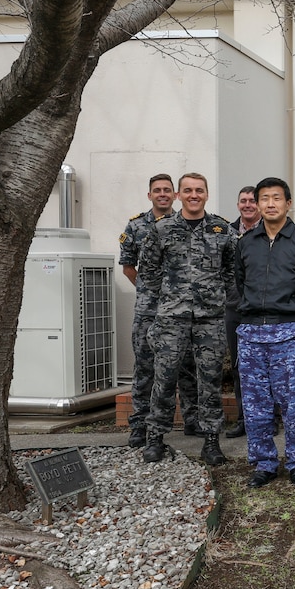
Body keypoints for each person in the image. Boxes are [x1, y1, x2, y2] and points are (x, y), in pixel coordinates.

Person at [136, 173, 238, 466]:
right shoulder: (162, 229)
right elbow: (149, 271)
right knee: (164, 378)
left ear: (207, 194)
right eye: (188, 190)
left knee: (210, 380)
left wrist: (220, 297)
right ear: (179, 195)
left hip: (210, 319)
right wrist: (165, 302)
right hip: (171, 319)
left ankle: (211, 441)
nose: (194, 195)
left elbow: (232, 271)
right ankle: (155, 438)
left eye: (200, 190)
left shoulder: (222, 230)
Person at [234, 178, 295, 487]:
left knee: (294, 401)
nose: (270, 203)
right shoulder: (246, 243)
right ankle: (264, 462)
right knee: (256, 404)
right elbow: (240, 282)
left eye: (277, 198)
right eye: (264, 198)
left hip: (290, 333)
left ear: (289, 204)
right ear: (256, 204)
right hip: (251, 335)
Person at [119, 174, 199, 448]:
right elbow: (128, 266)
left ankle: (193, 420)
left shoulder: (185, 224)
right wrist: (150, 290)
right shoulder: (136, 226)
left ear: (175, 195)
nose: (163, 194)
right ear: (149, 194)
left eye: (167, 190)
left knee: (187, 366)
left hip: (180, 309)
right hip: (149, 310)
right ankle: (140, 425)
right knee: (145, 367)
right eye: (157, 190)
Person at [223, 184, 260, 440]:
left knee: (265, 367)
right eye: (243, 200)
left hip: (261, 309)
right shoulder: (225, 232)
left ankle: (268, 417)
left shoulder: (270, 230)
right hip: (234, 308)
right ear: (238, 204)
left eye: (252, 201)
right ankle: (244, 418)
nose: (247, 205)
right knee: (239, 367)